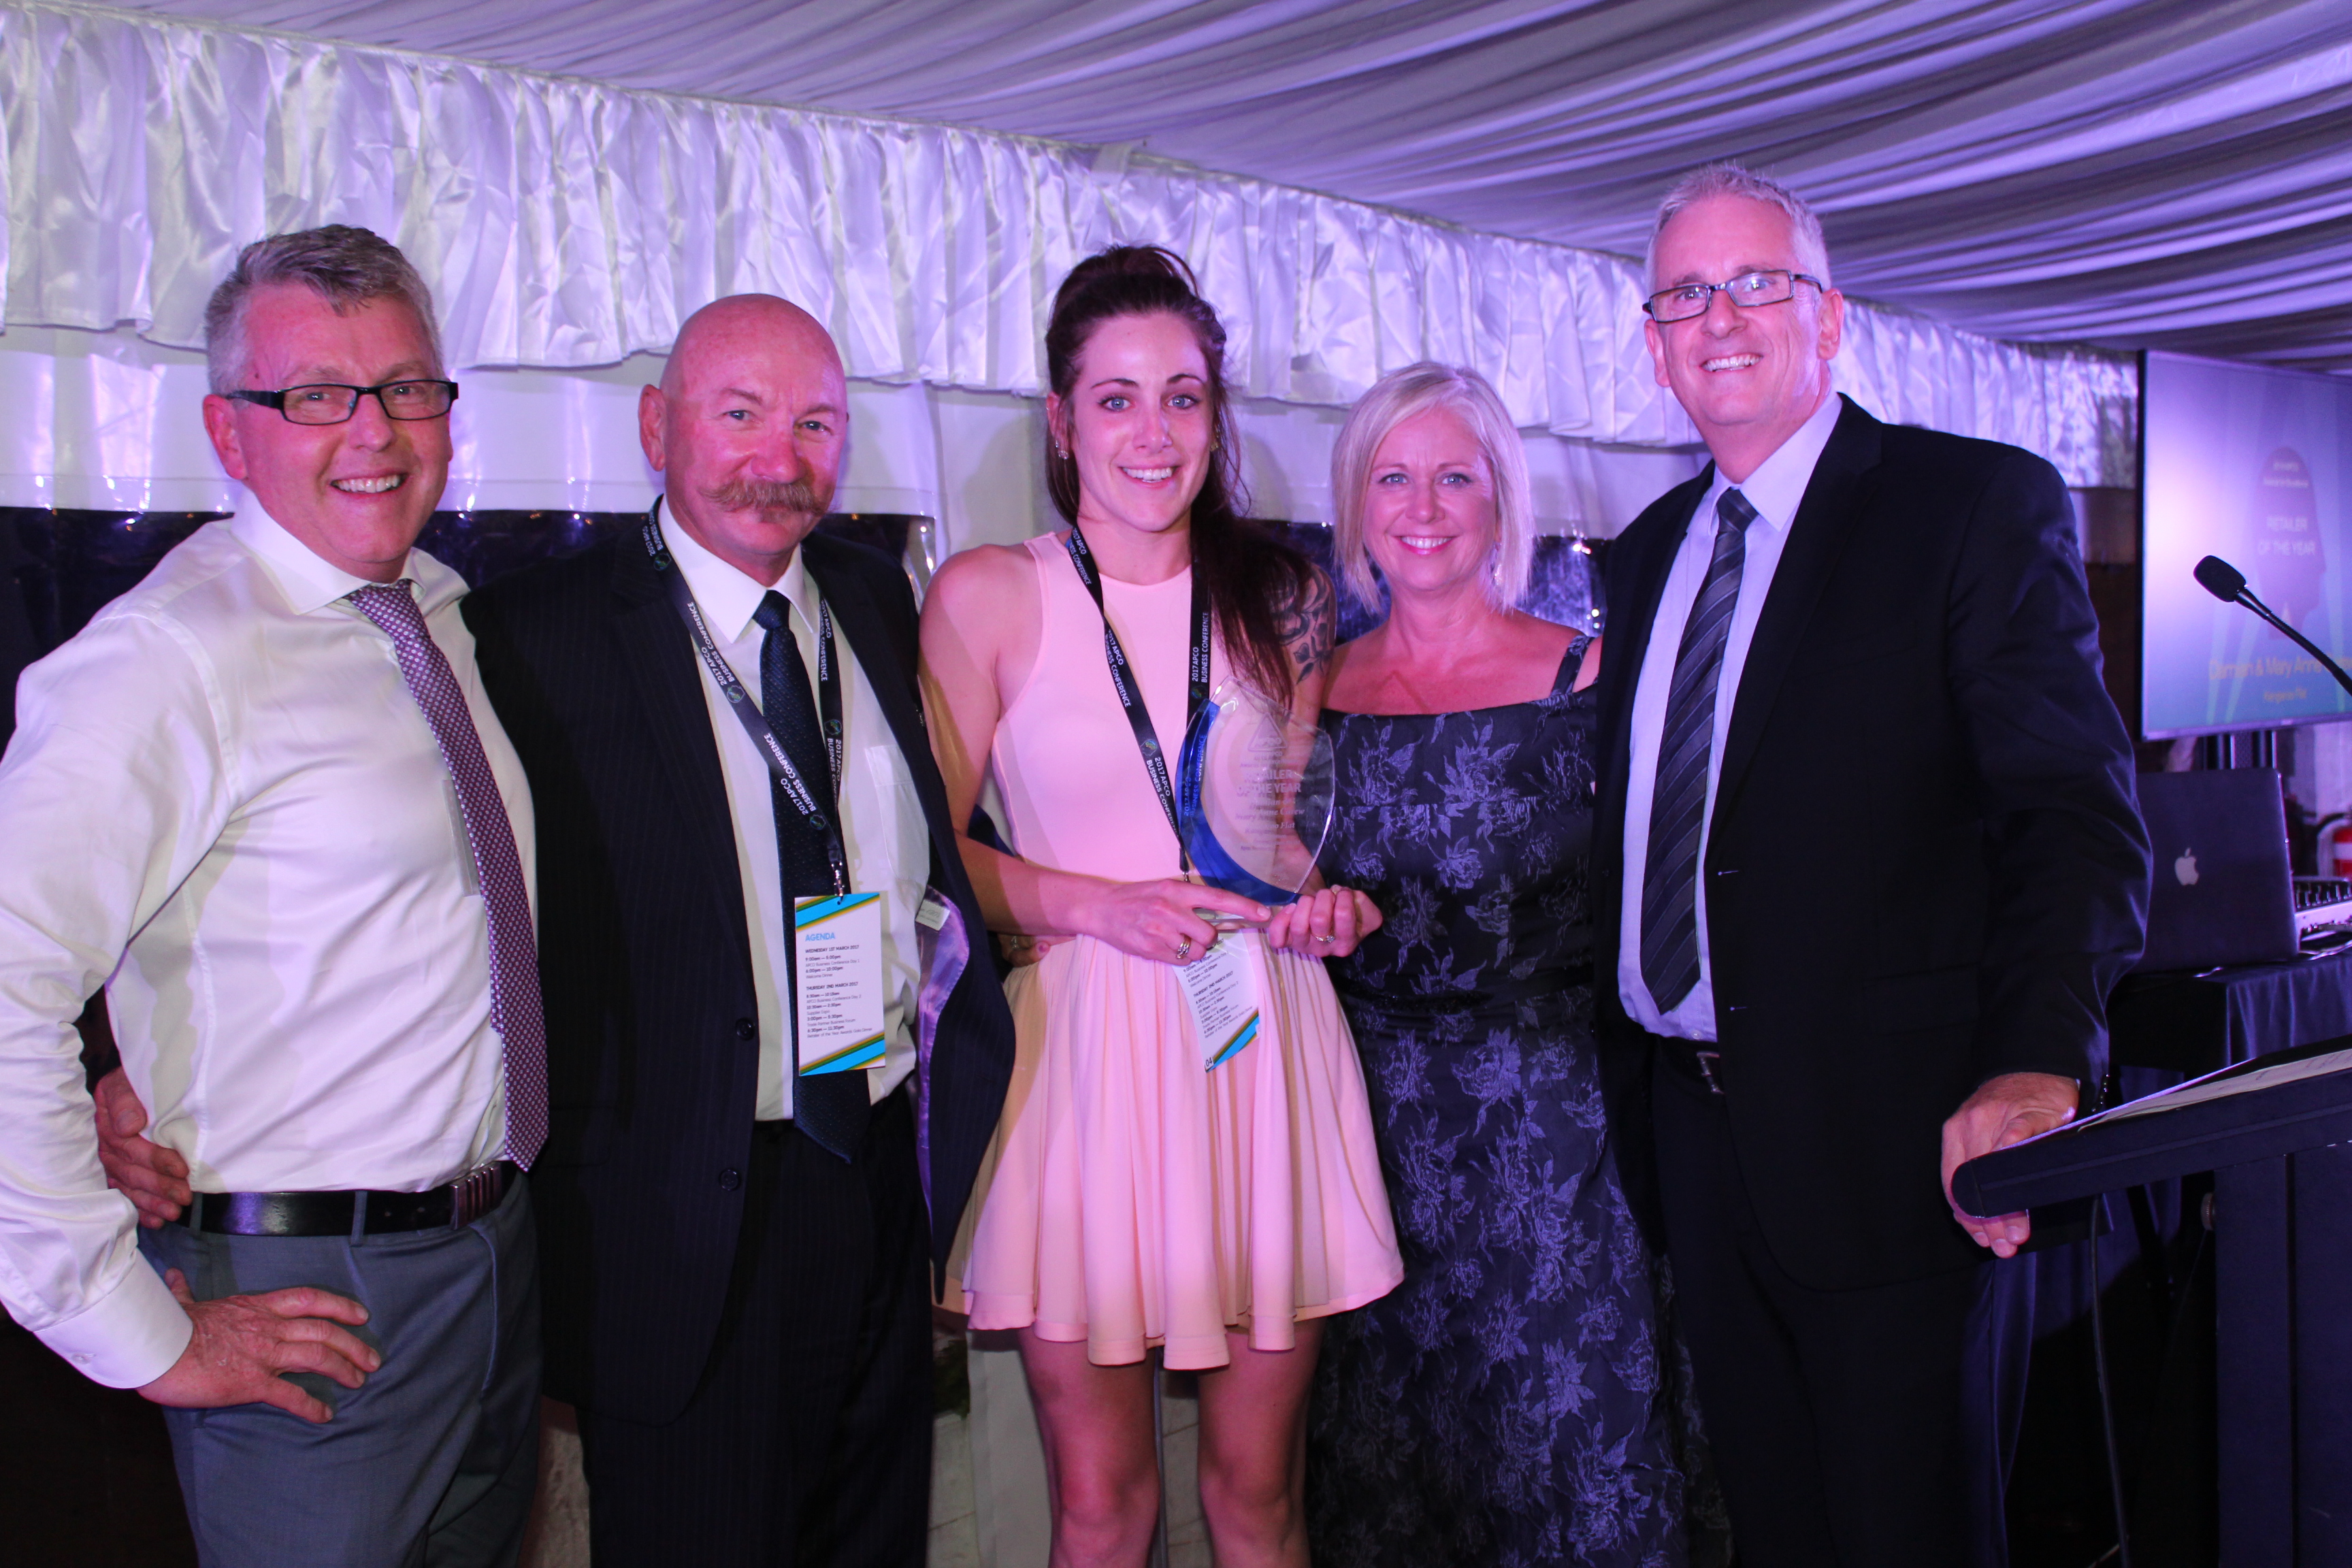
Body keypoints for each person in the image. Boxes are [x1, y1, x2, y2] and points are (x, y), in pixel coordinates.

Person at [98, 291, 1019, 1565]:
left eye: (815, 423)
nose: (779, 456)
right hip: (682, 1225)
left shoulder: (873, 600)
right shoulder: (525, 635)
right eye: (738, 414)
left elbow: (938, 864)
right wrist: (128, 1065)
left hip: (872, 1180)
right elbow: (403, 892)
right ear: (655, 427)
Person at [1592, 164, 2150, 1565]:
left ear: (1829, 317)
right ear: (1654, 344)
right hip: (1695, 1144)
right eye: (1684, 295)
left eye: (1756, 283)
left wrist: (2036, 1063)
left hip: (1900, 1147)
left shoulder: (1970, 505)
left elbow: (2073, 816)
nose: (1720, 318)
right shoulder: (1646, 557)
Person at [0, 225, 544, 1566]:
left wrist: (139, 1069)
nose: (374, 431)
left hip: (494, 1260)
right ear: (226, 432)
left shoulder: (439, 611)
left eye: (406, 386)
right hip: (309, 1304)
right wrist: (138, 1334)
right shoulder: (165, 658)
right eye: (314, 395)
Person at [920, 245, 1402, 1568]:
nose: (1154, 430)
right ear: (1062, 421)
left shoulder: (1286, 598)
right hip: (1084, 1069)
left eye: (1183, 396)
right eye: (1117, 397)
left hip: (1260, 1047)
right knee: (1100, 1507)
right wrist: (1098, 905)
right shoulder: (989, 593)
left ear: (1215, 415)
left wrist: (1324, 908)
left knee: (1258, 1501)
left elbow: (1273, 844)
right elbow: (928, 858)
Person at [1304, 361, 1717, 1567]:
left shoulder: (1592, 678)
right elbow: (1268, 878)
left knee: (1573, 1464)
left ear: (1502, 500)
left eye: (1456, 477)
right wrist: (1304, 915)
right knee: (1402, 1476)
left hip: (1558, 1140)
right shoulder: (1311, 694)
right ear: (1355, 501)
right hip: (1369, 1138)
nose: (1423, 508)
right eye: (1393, 478)